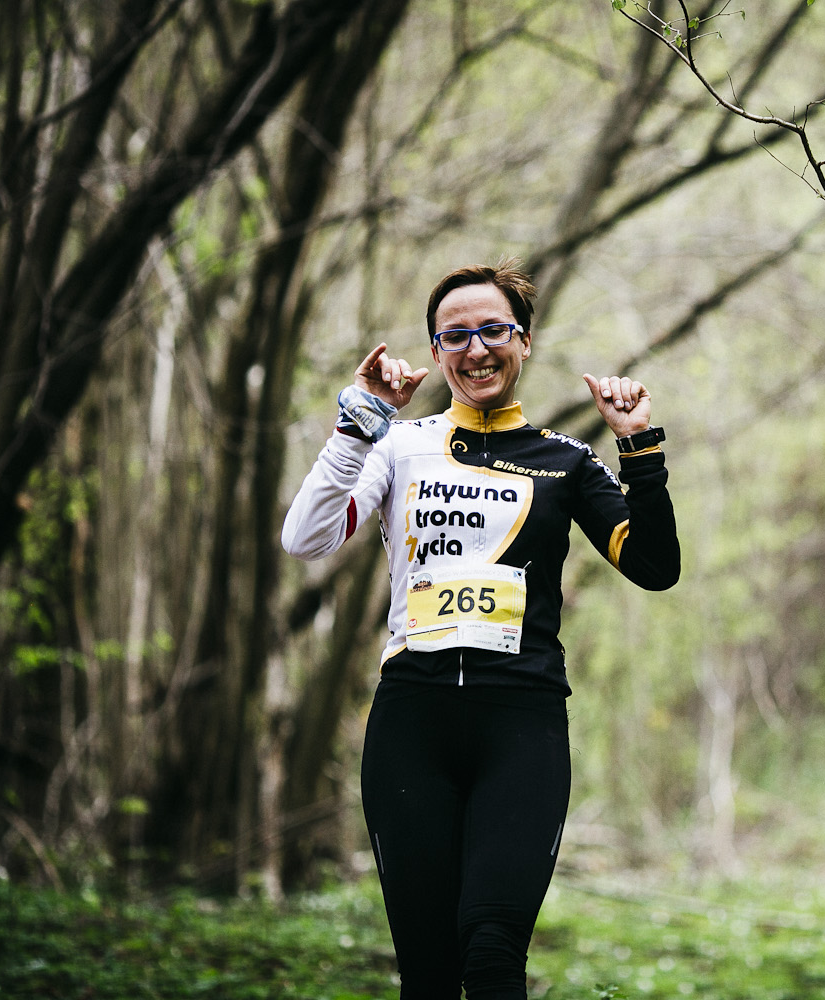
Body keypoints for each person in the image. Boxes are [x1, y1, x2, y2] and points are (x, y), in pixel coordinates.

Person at [281, 259, 680, 999]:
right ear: (436, 354)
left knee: (493, 955)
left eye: (493, 330)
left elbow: (655, 567)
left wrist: (639, 446)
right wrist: (360, 424)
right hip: (412, 725)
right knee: (429, 976)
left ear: (523, 340)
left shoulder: (567, 462)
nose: (475, 349)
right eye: (454, 336)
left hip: (521, 725)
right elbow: (304, 539)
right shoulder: (400, 446)